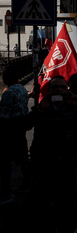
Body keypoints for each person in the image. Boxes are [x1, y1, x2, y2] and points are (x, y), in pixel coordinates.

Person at [0, 65, 30, 202]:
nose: (2, 76)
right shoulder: (22, 89)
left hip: (10, 129)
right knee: (22, 156)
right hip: (21, 126)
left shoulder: (8, 93)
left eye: (4, 74)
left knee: (5, 162)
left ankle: (6, 191)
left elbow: (5, 116)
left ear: (9, 76)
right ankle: (27, 182)